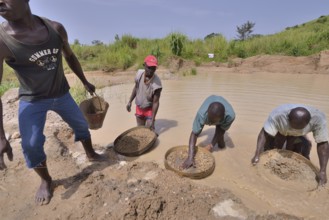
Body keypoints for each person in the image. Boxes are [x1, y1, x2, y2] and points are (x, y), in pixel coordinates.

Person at [0, 0, 104, 205]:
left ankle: (91, 153)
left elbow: (71, 57)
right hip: (32, 99)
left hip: (61, 94)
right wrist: (1, 136)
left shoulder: (56, 29)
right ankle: (46, 181)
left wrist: (85, 81)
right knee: (30, 145)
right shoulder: (2, 42)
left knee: (82, 125)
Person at [251, 104, 329, 186]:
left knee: (305, 149)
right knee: (270, 149)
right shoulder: (278, 115)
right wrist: (257, 154)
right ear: (288, 119)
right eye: (293, 126)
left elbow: (323, 143)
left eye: (298, 128)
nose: (294, 129)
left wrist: (323, 170)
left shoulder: (318, 119)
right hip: (280, 133)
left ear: (309, 122)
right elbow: (264, 133)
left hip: (299, 136)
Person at [182, 95, 235, 169]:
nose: (210, 124)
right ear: (207, 113)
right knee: (197, 130)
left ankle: (218, 141)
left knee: (221, 145)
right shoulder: (201, 114)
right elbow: (194, 133)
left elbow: (222, 129)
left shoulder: (230, 116)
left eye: (213, 122)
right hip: (211, 110)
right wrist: (190, 158)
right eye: (210, 120)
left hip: (221, 119)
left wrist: (211, 145)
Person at [126, 55, 162, 130]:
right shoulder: (139, 74)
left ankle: (151, 124)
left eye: (153, 68)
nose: (151, 70)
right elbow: (136, 88)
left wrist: (153, 119)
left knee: (149, 129)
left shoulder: (157, 84)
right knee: (140, 129)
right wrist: (130, 101)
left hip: (149, 109)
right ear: (144, 66)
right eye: (149, 67)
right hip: (139, 108)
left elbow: (156, 102)